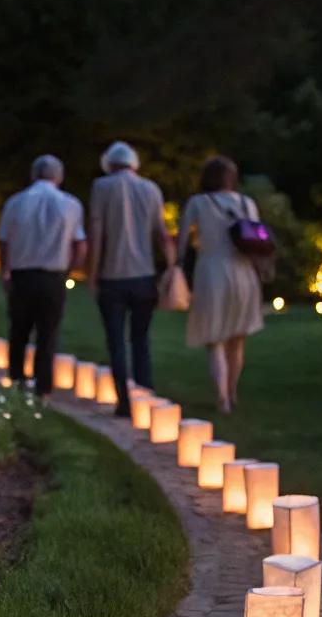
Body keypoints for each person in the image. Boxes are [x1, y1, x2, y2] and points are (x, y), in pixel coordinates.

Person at [88, 141, 174, 417]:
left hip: (112, 276)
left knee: (116, 341)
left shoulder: (101, 187)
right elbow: (162, 233)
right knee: (140, 339)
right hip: (144, 276)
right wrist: (172, 268)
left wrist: (92, 274)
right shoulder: (150, 189)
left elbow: (97, 233)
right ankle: (146, 398)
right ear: (134, 164)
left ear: (109, 164)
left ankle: (124, 402)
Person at [177, 154, 264, 414]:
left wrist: (178, 264)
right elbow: (258, 239)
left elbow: (182, 240)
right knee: (237, 338)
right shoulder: (248, 204)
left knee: (214, 338)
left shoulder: (198, 203)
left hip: (212, 272)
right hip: (244, 274)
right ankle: (233, 391)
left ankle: (222, 397)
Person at [0, 154, 86, 399]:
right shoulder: (71, 204)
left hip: (22, 274)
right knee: (48, 333)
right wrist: (71, 272)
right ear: (59, 176)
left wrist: (4, 271)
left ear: (33, 174)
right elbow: (80, 244)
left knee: (19, 331)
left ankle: (16, 381)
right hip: (53, 277)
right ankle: (42, 388)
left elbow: (4, 241)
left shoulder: (15, 203)